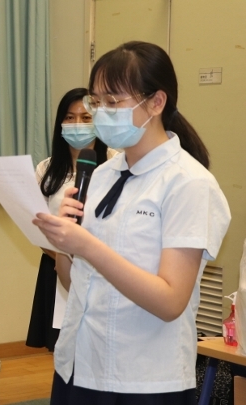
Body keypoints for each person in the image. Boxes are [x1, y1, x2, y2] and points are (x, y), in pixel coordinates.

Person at [33, 41, 231, 404]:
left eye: (113, 102)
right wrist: (63, 244)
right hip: (80, 363)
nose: (101, 113)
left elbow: (170, 301)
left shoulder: (189, 183)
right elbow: (74, 282)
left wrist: (87, 245)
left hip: (146, 377)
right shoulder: (101, 174)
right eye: (96, 102)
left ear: (156, 102)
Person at [27, 87, 117, 351]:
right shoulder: (46, 169)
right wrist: (64, 257)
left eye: (86, 118)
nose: (77, 124)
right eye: (69, 117)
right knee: (62, 347)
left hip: (103, 268)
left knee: (97, 345)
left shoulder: (116, 163)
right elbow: (38, 224)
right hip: (57, 265)